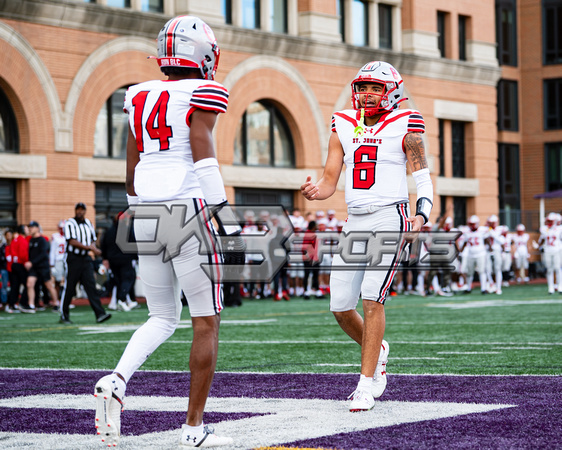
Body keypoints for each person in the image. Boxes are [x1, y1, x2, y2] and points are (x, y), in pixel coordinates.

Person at [94, 15, 242, 448]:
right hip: (189, 206)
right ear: (203, 54)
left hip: (147, 211)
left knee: (160, 317)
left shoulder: (138, 94)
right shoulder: (204, 89)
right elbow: (204, 158)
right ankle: (193, 430)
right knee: (205, 322)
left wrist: (139, 213)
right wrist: (228, 223)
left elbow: (131, 170)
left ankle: (117, 380)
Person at [301, 61, 433, 411]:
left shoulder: (408, 121)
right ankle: (379, 349)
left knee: (372, 298)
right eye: (363, 87)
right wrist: (317, 191)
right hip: (355, 222)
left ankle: (365, 383)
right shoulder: (342, 122)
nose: (367, 93)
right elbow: (330, 178)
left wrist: (421, 214)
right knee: (341, 307)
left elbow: (422, 176)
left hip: (391, 216)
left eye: (376, 87)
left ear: (392, 91)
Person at [60, 203, 111, 324]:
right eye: (78, 209)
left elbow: (92, 242)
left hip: (86, 259)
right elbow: (72, 241)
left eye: (82, 210)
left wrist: (96, 250)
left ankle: (100, 314)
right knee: (70, 288)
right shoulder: (70, 223)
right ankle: (64, 315)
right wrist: (89, 248)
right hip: (73, 258)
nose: (80, 212)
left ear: (85, 211)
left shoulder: (88, 223)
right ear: (75, 210)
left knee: (91, 286)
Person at [100, 211, 138, 312]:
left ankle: (118, 301)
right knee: (128, 278)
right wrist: (136, 257)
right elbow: (133, 244)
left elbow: (104, 245)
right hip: (125, 259)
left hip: (113, 260)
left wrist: (105, 258)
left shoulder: (109, 231)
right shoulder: (126, 230)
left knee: (118, 281)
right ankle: (121, 299)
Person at [23, 221, 60, 313]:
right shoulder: (31, 240)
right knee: (29, 284)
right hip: (34, 267)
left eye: (32, 227)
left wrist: (31, 262)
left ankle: (56, 303)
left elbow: (43, 254)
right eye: (30, 227)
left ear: (37, 228)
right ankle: (31, 305)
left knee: (48, 285)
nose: (30, 229)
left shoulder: (42, 240)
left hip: (43, 266)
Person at [458, 215, 488, 294]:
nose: (472, 226)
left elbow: (487, 238)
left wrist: (488, 248)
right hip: (470, 254)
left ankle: (483, 288)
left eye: (473, 224)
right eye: (470, 224)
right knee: (469, 272)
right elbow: (464, 242)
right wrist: (461, 250)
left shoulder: (482, 230)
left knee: (482, 271)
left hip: (480, 254)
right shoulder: (467, 231)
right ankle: (468, 288)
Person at [538, 212, 561, 294]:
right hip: (547, 251)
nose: (549, 222)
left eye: (551, 221)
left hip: (557, 250)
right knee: (549, 269)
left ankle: (559, 286)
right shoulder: (544, 229)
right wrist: (539, 246)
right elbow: (542, 239)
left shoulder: (559, 229)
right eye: (548, 221)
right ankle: (550, 287)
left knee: (558, 268)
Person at [50, 220, 67, 301]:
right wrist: (52, 264)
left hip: (67, 260)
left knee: (68, 281)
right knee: (58, 281)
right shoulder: (55, 237)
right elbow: (52, 251)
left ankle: (66, 300)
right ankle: (56, 300)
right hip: (58, 260)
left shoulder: (69, 236)